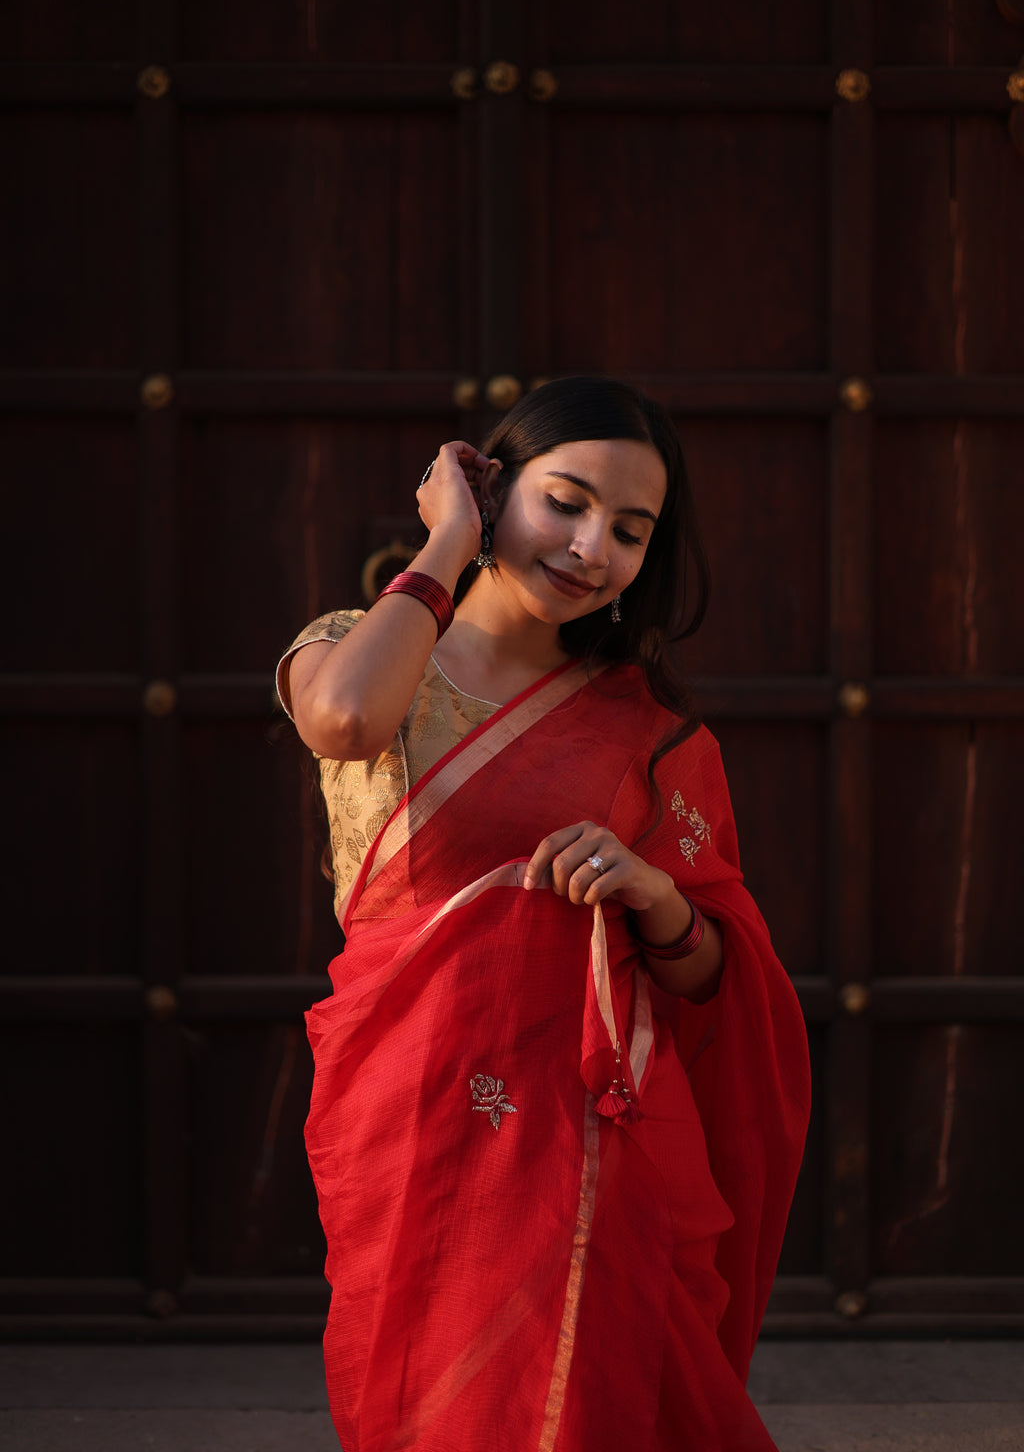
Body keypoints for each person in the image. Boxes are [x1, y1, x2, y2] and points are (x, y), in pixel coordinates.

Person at [276, 377, 810, 1452]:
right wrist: (444, 543)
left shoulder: (649, 734)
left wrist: (655, 896)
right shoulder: (359, 643)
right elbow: (341, 721)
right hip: (411, 1099)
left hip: (592, 1126)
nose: (589, 547)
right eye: (562, 502)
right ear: (494, 491)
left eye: (628, 530)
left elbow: (713, 977)